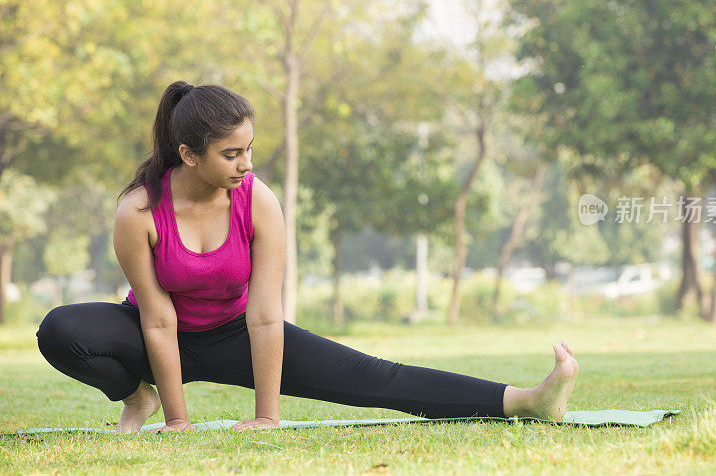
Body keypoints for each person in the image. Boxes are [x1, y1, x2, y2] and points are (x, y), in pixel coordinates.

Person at [36, 81, 579, 433]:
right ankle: (140, 398)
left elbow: (266, 313)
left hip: (236, 335)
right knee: (60, 330)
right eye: (231, 154)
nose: (246, 163)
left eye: (248, 148)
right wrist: (178, 421)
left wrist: (266, 417)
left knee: (380, 379)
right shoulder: (138, 212)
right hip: (154, 334)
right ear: (188, 155)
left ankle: (525, 400)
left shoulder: (258, 200)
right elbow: (156, 317)